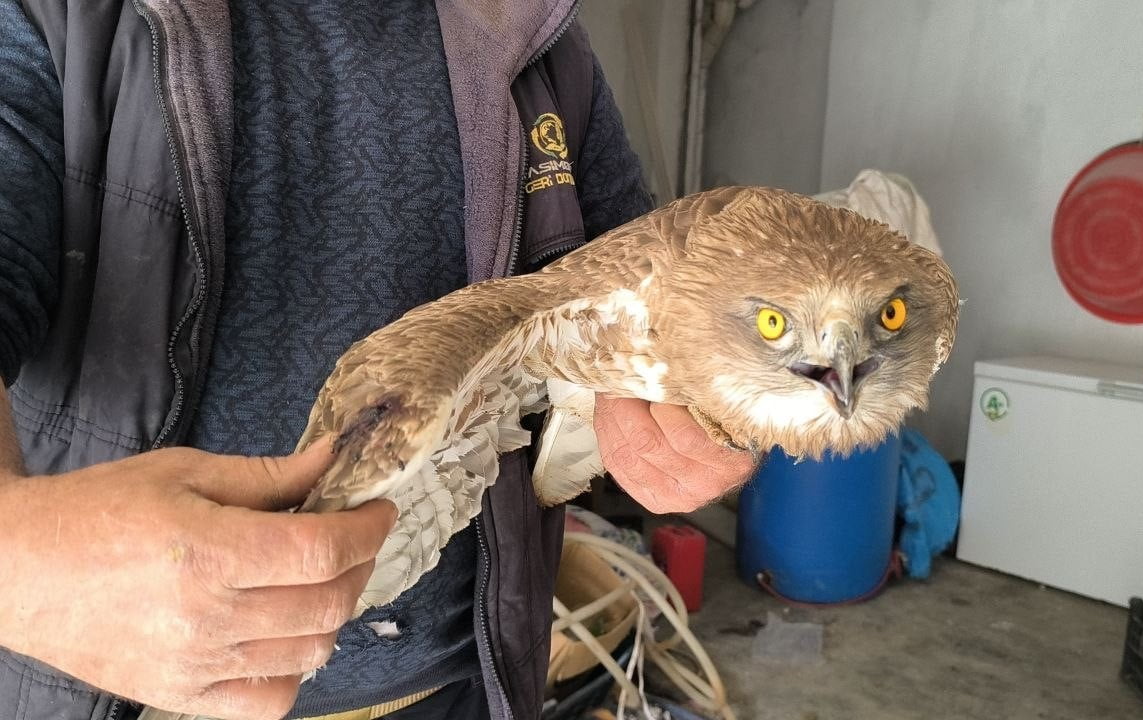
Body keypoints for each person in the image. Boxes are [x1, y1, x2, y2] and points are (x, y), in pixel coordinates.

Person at [0, 1, 756, 719]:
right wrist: (24, 566)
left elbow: (635, 273)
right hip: (138, 692)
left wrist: (699, 406)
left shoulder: (534, 27)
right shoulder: (52, 18)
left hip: (466, 679)